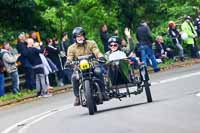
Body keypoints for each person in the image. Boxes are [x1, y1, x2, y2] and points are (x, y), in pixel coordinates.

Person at [67, 27, 108, 106]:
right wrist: (68, 62)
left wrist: (100, 56)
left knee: (98, 72)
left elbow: (96, 51)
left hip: (92, 64)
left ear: (84, 36)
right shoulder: (71, 48)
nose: (80, 37)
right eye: (78, 36)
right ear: (75, 38)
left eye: (81, 35)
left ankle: (103, 92)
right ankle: (77, 97)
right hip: (78, 67)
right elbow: (69, 57)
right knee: (74, 77)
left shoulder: (91, 43)